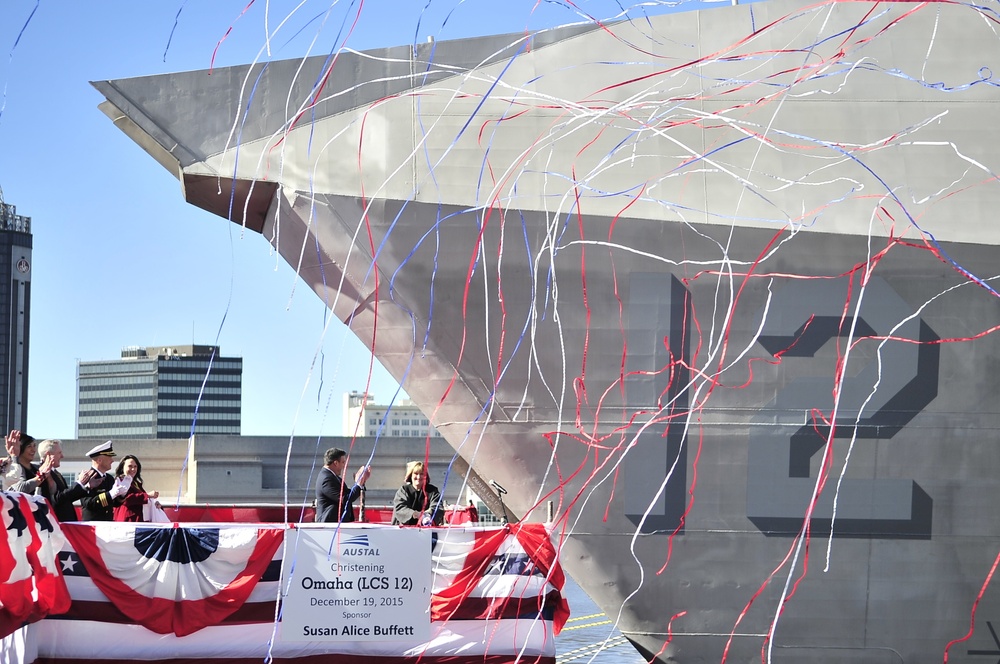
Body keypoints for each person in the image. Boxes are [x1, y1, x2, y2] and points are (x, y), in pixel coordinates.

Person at [36, 439, 99, 522]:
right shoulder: (42, 473)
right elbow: (56, 499)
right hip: (55, 524)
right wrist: (79, 483)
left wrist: (86, 486)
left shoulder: (55, 473)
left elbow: (67, 498)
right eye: (59, 453)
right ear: (48, 454)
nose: (62, 456)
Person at [315, 447, 370, 523]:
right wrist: (358, 484)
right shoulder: (326, 479)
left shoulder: (333, 477)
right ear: (336, 463)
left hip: (338, 525)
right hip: (330, 527)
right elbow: (345, 499)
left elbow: (348, 494)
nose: (344, 466)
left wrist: (361, 482)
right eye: (343, 462)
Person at [79, 441, 130, 521]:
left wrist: (122, 494)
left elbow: (115, 504)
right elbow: (88, 503)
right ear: (99, 460)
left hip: (107, 524)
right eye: (110, 457)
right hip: (92, 527)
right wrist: (110, 495)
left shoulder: (109, 478)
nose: (112, 461)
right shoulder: (86, 478)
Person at [392, 461, 443, 526]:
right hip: (404, 531)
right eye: (416, 473)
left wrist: (427, 514)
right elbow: (400, 508)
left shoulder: (433, 491)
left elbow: (437, 507)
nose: (418, 477)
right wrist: (415, 514)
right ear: (410, 475)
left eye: (422, 474)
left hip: (427, 531)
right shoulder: (403, 490)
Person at [112, 455, 160, 522]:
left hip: (138, 520)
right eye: (130, 466)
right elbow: (126, 499)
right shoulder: (120, 481)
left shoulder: (135, 483)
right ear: (122, 467)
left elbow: (142, 500)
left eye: (135, 467)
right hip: (127, 521)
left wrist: (154, 502)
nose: (133, 469)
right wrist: (147, 495)